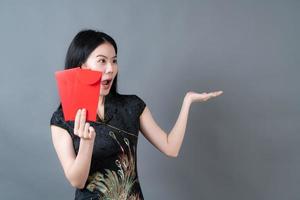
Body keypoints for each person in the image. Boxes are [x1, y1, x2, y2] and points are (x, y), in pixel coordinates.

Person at [50, 29, 223, 200]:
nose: (110, 68)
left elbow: (171, 148)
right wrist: (86, 143)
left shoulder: (132, 106)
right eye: (102, 61)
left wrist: (187, 102)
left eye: (114, 60)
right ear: (83, 67)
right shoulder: (62, 119)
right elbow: (77, 181)